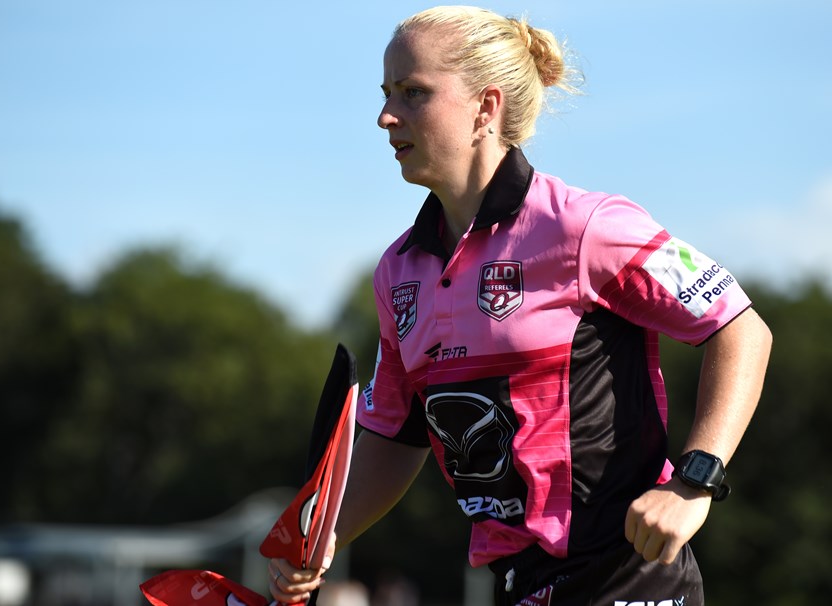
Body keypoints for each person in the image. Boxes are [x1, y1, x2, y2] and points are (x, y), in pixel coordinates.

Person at [267, 6, 772, 605]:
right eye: (386, 94)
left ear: (486, 107)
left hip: (628, 577)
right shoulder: (397, 271)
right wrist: (324, 538)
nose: (386, 116)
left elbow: (741, 328)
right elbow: (396, 434)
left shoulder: (587, 226)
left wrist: (695, 481)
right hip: (519, 586)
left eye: (413, 92)